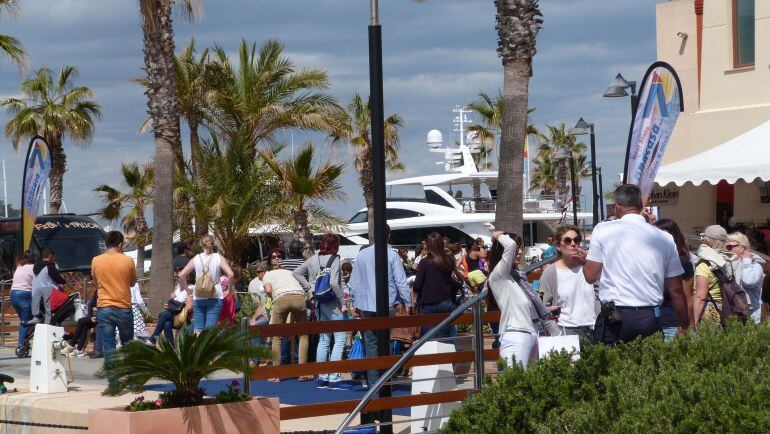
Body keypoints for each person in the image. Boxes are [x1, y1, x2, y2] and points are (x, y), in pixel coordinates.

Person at [583, 184, 688, 345]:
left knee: (611, 368)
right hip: (651, 317)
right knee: (649, 368)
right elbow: (676, 290)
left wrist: (584, 261)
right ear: (640, 206)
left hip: (616, 318)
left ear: (618, 207)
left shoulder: (603, 230)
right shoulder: (665, 238)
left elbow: (590, 276)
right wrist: (684, 325)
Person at [348, 224, 411, 388]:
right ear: (389, 235)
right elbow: (401, 282)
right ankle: (385, 381)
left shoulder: (362, 255)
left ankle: (374, 382)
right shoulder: (392, 255)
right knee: (386, 344)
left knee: (371, 344)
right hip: (386, 305)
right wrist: (408, 303)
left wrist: (355, 302)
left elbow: (353, 283)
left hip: (366, 306)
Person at [294, 233, 349, 389]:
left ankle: (322, 376)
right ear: (335, 245)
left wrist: (310, 288)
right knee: (339, 338)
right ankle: (334, 377)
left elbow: (296, 272)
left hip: (317, 302)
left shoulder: (314, 258)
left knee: (324, 339)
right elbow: (334, 283)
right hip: (332, 302)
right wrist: (343, 303)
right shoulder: (335, 259)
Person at [91, 231, 136, 393]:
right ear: (120, 244)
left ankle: (114, 384)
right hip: (123, 307)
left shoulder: (96, 260)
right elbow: (132, 282)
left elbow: (96, 281)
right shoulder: (128, 260)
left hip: (104, 307)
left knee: (109, 347)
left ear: (106, 243)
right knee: (128, 345)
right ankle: (134, 382)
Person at [487, 231, 537, 369]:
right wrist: (497, 235)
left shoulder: (517, 277)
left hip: (529, 335)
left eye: (520, 248)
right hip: (516, 336)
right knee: (515, 385)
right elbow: (510, 244)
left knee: (532, 387)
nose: (520, 252)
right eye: (517, 248)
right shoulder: (499, 275)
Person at [539, 225, 598, 340]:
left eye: (576, 240)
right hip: (566, 330)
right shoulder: (551, 272)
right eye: (567, 240)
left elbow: (601, 291)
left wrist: (587, 262)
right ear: (559, 246)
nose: (573, 244)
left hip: (593, 328)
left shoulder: (588, 268)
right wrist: (558, 333)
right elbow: (542, 308)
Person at [263, 248, 311, 382]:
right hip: (299, 297)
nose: (276, 258)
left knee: (277, 336)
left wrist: (275, 298)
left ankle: (276, 374)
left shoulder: (268, 274)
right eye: (274, 257)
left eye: (278, 256)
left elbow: (268, 290)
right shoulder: (290, 272)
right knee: (303, 335)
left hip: (281, 298)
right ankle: (303, 373)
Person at [178, 235, 235, 332]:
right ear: (213, 244)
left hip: (198, 296)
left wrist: (188, 291)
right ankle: (209, 347)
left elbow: (181, 275)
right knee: (210, 331)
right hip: (215, 296)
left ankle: (198, 347)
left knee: (198, 329)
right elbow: (231, 274)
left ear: (201, 245)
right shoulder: (218, 258)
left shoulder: (196, 258)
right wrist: (229, 291)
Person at [654, 219, 696, 341]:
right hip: (655, 325)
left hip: (674, 326)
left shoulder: (682, 263)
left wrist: (688, 327)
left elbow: (688, 298)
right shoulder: (655, 263)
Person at [413, 232, 460, 340]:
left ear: (428, 245)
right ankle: (446, 356)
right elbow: (453, 281)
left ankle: (432, 357)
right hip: (445, 302)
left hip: (428, 304)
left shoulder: (424, 262)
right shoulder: (448, 260)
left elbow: (417, 285)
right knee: (444, 338)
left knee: (428, 339)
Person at [726, 232, 766, 324]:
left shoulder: (755, 263)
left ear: (742, 248)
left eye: (729, 247)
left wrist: (747, 262)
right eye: (725, 247)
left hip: (752, 315)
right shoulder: (728, 264)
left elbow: (749, 281)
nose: (726, 250)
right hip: (734, 312)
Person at [144, 271, 191, 345]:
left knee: (163, 315)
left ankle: (153, 338)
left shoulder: (190, 288)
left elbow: (189, 306)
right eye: (176, 277)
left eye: (179, 277)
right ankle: (171, 347)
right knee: (167, 323)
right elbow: (172, 297)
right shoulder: (178, 287)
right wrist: (169, 306)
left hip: (182, 316)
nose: (177, 279)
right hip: (174, 313)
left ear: (186, 277)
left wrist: (178, 305)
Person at [29, 249, 67, 325]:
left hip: (37, 297)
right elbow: (59, 280)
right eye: (54, 257)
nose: (54, 259)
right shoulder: (49, 266)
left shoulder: (35, 266)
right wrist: (64, 281)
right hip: (49, 296)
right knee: (66, 305)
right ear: (50, 256)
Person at [10, 251, 35, 351]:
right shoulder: (33, 267)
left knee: (24, 322)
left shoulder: (19, 267)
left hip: (14, 294)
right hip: (25, 294)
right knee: (26, 323)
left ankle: (25, 345)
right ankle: (21, 346)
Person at [62, 291, 98, 357]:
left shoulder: (105, 296)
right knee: (84, 326)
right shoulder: (96, 295)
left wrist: (95, 316)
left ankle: (72, 345)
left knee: (81, 321)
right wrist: (91, 317)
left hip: (102, 317)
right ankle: (79, 349)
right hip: (96, 317)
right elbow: (90, 306)